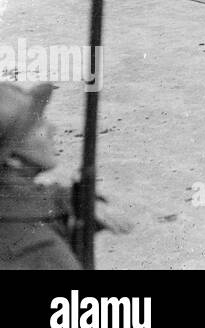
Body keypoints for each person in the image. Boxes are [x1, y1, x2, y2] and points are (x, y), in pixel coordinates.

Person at [0, 82, 132, 270]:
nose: (52, 128)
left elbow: (26, 200)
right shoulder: (41, 250)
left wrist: (75, 201)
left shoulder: (13, 208)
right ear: (13, 159)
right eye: (38, 123)